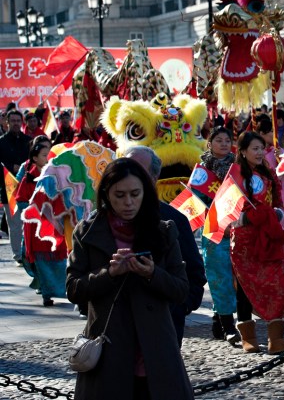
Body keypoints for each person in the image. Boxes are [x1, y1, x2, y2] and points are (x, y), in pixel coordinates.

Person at [66, 158, 194, 399]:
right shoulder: (88, 232)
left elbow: (181, 290)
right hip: (109, 350)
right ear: (106, 194)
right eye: (120, 195)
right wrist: (109, 274)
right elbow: (74, 289)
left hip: (155, 350)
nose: (128, 202)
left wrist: (152, 274)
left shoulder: (163, 230)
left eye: (135, 194)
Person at [124, 146, 206, 348]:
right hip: (119, 329)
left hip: (162, 329)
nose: (129, 177)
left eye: (137, 171)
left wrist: (178, 308)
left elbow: (194, 275)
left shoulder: (173, 219)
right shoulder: (99, 221)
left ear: (154, 177)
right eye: (125, 169)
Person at [230, 132, 284, 354]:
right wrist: (248, 217)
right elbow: (229, 208)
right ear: (243, 151)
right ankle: (248, 338)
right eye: (254, 148)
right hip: (245, 240)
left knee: (277, 283)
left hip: (268, 236)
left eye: (262, 148)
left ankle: (275, 339)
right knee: (245, 288)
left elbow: (277, 202)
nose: (259, 152)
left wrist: (273, 213)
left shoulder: (269, 174)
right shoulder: (235, 175)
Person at [188, 127, 240, 344]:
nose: (224, 144)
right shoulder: (201, 171)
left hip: (238, 226)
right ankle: (229, 325)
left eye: (227, 140)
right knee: (219, 276)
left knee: (237, 276)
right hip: (214, 228)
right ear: (209, 144)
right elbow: (194, 201)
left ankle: (219, 318)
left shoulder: (238, 168)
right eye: (219, 140)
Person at [16, 137, 65, 305]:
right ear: (35, 158)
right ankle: (47, 293)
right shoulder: (28, 178)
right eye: (44, 155)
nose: (48, 158)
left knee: (59, 261)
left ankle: (60, 290)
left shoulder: (57, 176)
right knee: (42, 262)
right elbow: (21, 200)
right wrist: (35, 208)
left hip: (55, 224)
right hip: (37, 228)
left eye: (49, 154)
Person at [0, 108, 30, 239]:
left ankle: (28, 254)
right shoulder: (1, 142)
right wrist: (11, 167)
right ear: (7, 123)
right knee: (15, 225)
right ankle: (18, 256)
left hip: (28, 187)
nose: (16, 123)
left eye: (18, 120)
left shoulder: (29, 141)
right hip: (8, 187)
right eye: (13, 121)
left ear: (22, 122)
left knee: (30, 222)